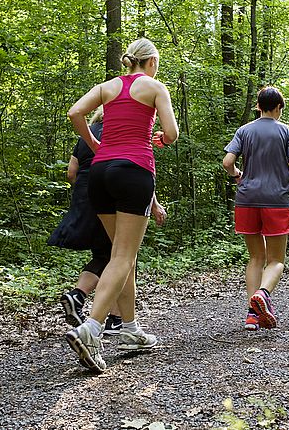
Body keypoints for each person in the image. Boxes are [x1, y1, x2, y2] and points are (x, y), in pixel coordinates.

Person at [65, 37, 179, 373]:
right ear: (152, 61)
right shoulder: (156, 87)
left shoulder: (107, 87)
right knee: (124, 256)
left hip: (100, 173)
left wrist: (94, 142)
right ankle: (92, 327)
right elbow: (171, 134)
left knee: (120, 254)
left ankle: (130, 330)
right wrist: (158, 137)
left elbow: (75, 112)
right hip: (134, 171)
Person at [48, 108, 167, 336]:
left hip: (88, 196)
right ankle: (92, 307)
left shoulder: (87, 133)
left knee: (105, 255)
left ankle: (104, 312)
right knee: (120, 255)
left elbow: (71, 172)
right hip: (116, 199)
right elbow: (137, 172)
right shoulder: (123, 133)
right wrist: (154, 204)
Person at [222, 86, 289, 331]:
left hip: (247, 199)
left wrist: (238, 175)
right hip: (276, 199)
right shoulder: (287, 132)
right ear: (279, 107)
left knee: (255, 257)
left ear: (258, 106)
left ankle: (251, 316)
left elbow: (227, 162)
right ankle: (263, 294)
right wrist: (281, 176)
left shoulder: (244, 131)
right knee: (276, 260)